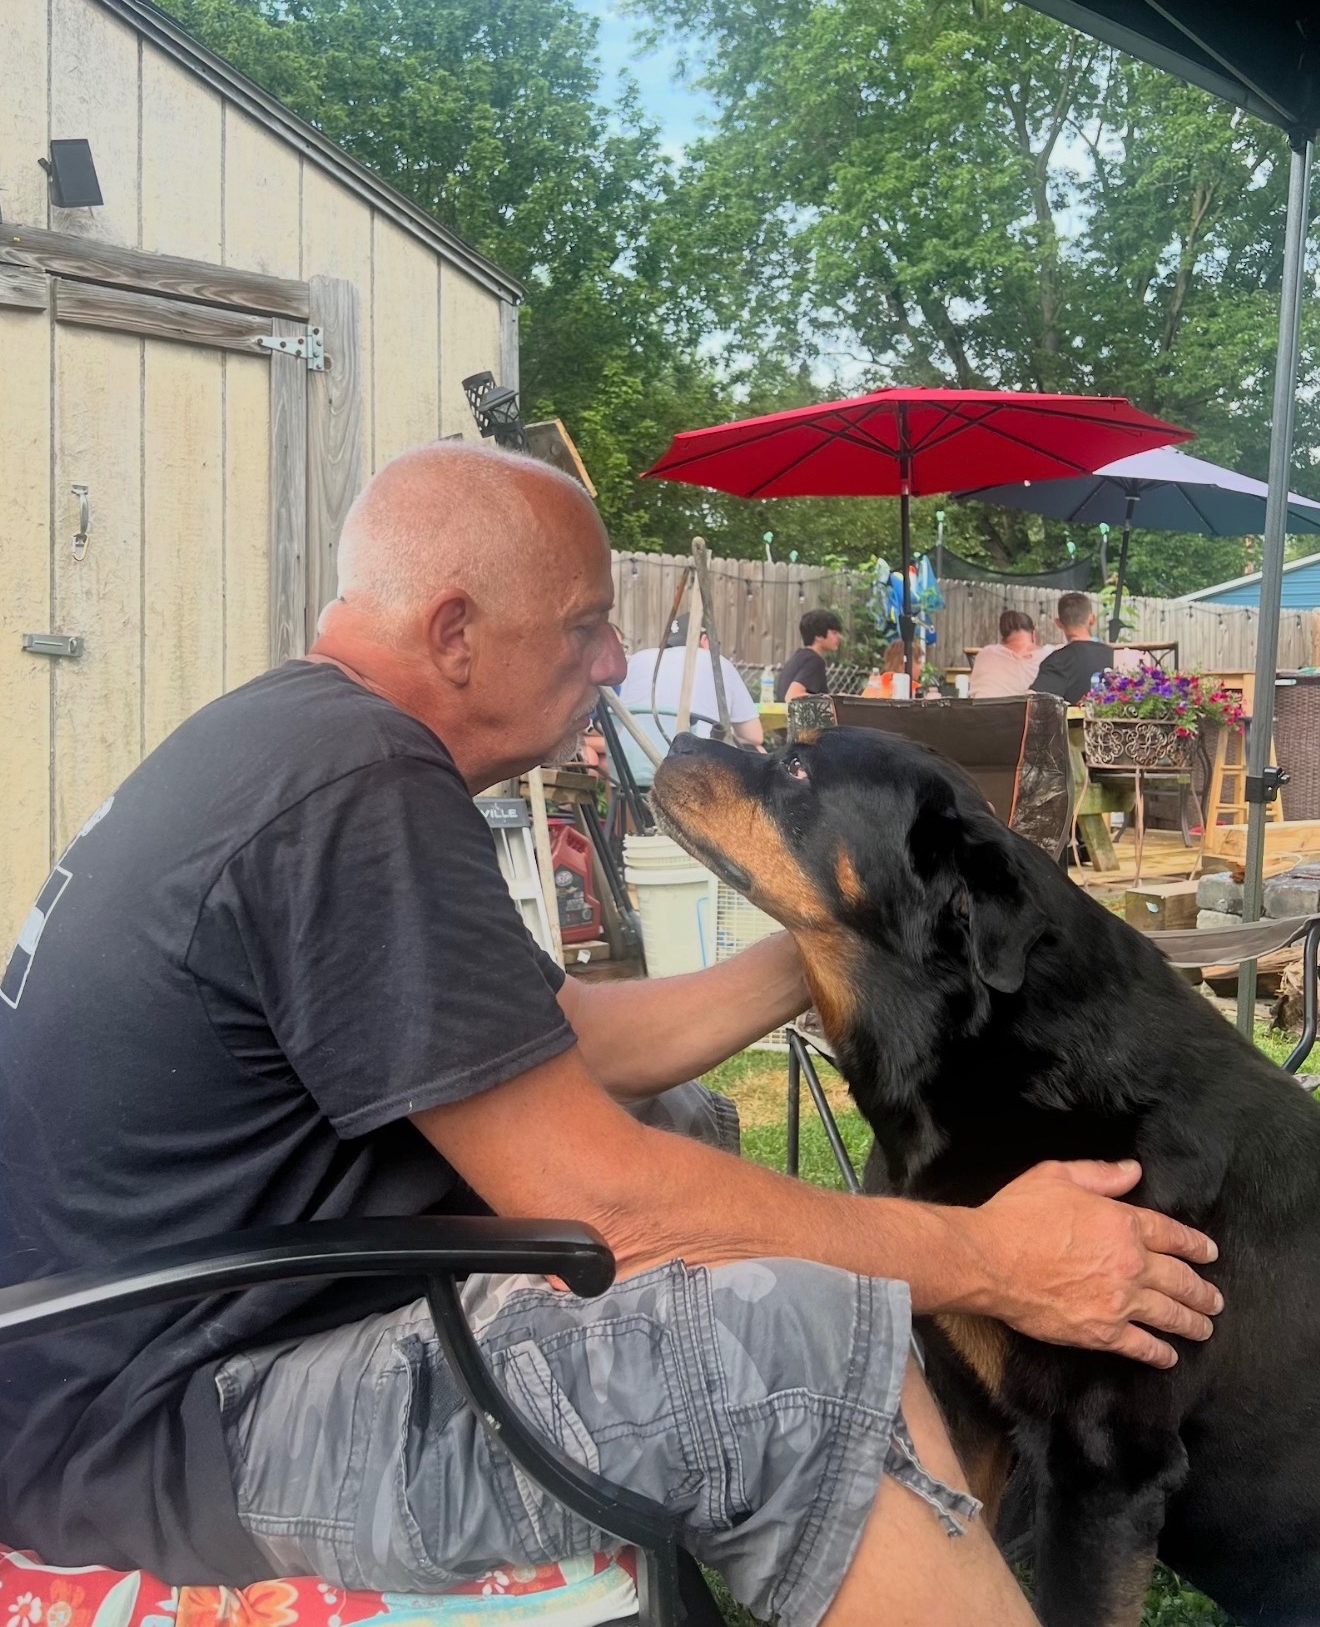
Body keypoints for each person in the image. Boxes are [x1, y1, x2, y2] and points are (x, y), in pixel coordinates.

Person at [0, 445, 1223, 1627]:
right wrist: (994, 1258)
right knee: (784, 1354)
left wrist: (837, 939)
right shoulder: (356, 786)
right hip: (170, 1433)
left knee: (682, 1128)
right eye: (585, 624)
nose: (615, 659)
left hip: (142, 1357)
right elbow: (612, 1208)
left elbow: (571, 1039)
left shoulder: (299, 741)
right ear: (455, 631)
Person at [618, 612, 764, 748]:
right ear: (705, 640)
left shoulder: (637, 660)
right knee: (756, 749)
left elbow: (619, 719)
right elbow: (753, 736)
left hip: (632, 758)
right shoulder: (718, 664)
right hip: (695, 760)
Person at [1031, 591, 1116, 704]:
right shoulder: (1113, 655)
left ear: (1058, 623)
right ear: (1092, 619)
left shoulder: (1057, 661)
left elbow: (1033, 701)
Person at [968, 609, 1043, 699]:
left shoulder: (985, 654)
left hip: (982, 707)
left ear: (1002, 638)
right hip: (1028, 707)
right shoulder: (1048, 654)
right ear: (1033, 634)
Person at [775, 608, 843, 702]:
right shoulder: (815, 661)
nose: (839, 637)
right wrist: (833, 700)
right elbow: (793, 696)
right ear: (818, 636)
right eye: (834, 633)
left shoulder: (797, 658)